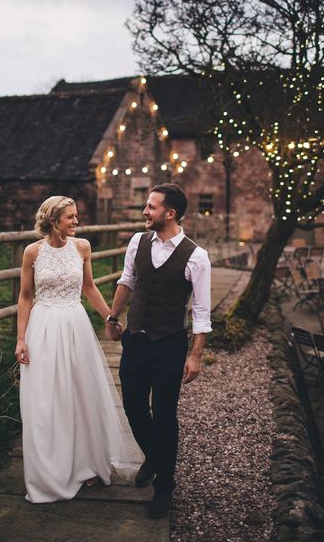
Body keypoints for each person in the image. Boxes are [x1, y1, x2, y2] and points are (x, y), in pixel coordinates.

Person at [15, 195, 141, 503]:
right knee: (46, 399)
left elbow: (89, 287)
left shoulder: (82, 247)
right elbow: (25, 296)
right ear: (54, 220)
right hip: (43, 327)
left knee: (82, 393)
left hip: (75, 325)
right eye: (70, 217)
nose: (76, 221)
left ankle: (86, 464)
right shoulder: (32, 252)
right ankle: (49, 471)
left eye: (76, 216)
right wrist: (21, 338)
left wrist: (109, 317)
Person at [106, 183, 211, 519]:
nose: (144, 212)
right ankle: (154, 455)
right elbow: (128, 280)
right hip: (135, 339)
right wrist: (112, 316)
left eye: (151, 207)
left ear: (170, 214)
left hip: (169, 344)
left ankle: (165, 485)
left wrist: (195, 354)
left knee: (164, 414)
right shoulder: (138, 241)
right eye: (146, 205)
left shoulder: (196, 256)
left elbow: (202, 310)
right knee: (134, 407)